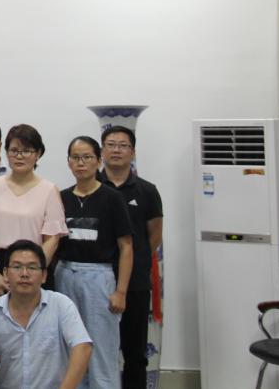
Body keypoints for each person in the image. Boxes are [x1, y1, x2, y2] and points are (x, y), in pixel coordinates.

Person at [57, 136, 133, 389]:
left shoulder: (112, 198)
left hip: (99, 277)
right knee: (69, 347)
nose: (81, 163)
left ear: (98, 160)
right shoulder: (61, 198)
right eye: (75, 158)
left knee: (101, 347)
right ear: (69, 162)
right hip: (65, 274)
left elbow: (126, 247)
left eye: (87, 157)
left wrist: (120, 291)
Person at [99, 125, 163, 389]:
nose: (117, 150)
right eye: (111, 144)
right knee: (96, 349)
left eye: (123, 145)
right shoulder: (90, 187)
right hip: (97, 280)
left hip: (135, 283)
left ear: (133, 152)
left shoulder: (147, 191)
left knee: (135, 353)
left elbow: (154, 236)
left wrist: (134, 261)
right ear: (102, 151)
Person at [0, 240, 92, 389]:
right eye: (17, 267)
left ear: (44, 275)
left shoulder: (61, 304)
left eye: (32, 267)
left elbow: (83, 347)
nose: (24, 274)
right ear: (5, 273)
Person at [0, 124, 68, 298]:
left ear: (38, 154)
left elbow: (52, 239)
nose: (19, 156)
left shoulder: (49, 190)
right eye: (14, 150)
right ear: (6, 152)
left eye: (27, 151)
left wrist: (33, 270)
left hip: (35, 265)